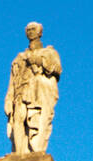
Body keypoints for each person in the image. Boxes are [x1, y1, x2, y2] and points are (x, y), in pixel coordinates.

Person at [4, 22, 62, 154]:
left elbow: (57, 70)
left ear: (39, 33)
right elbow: (12, 80)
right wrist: (8, 98)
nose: (30, 32)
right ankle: (19, 154)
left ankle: (34, 150)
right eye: (28, 30)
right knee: (18, 119)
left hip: (36, 93)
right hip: (20, 92)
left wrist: (40, 61)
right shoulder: (19, 58)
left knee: (34, 121)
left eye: (33, 29)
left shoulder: (49, 52)